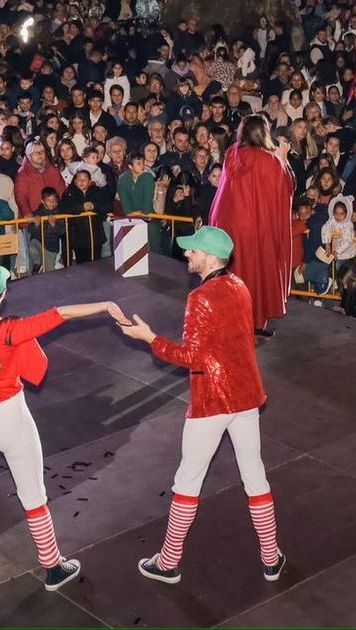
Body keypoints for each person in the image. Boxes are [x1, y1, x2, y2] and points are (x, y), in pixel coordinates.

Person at [0, 254, 123, 594]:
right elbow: (60, 313)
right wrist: (105, 304)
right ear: (2, 296)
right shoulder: (11, 330)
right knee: (33, 495)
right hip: (10, 418)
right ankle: (52, 566)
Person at [119, 225, 284, 585]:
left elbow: (192, 356)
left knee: (187, 480)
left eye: (193, 250)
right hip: (246, 396)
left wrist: (150, 338)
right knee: (254, 474)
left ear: (211, 257)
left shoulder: (200, 298)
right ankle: (271, 558)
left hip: (212, 399)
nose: (187, 254)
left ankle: (168, 562)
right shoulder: (240, 287)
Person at [208, 115, 296, 335]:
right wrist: (283, 159)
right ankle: (255, 322)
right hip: (256, 228)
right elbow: (286, 188)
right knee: (255, 272)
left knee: (233, 272)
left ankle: (229, 320)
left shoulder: (231, 153)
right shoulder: (270, 161)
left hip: (229, 225)